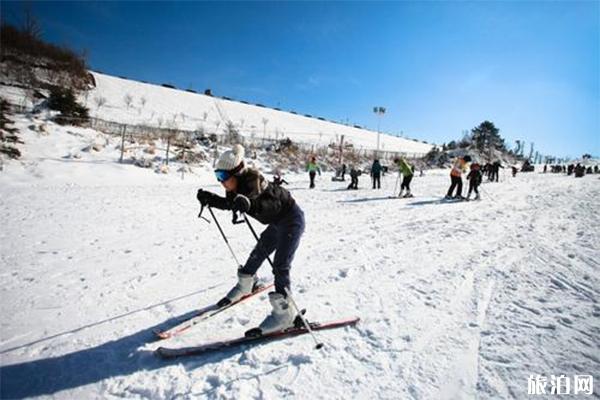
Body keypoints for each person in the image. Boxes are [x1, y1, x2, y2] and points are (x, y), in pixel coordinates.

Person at [196, 144, 305, 335]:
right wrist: (210, 199)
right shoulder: (235, 186)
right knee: (258, 253)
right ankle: (245, 285)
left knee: (280, 265)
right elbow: (232, 203)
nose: (221, 182)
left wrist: (249, 204)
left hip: (291, 220)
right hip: (275, 224)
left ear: (236, 174)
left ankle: (285, 315)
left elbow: (268, 206)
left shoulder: (255, 181)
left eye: (223, 177)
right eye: (217, 176)